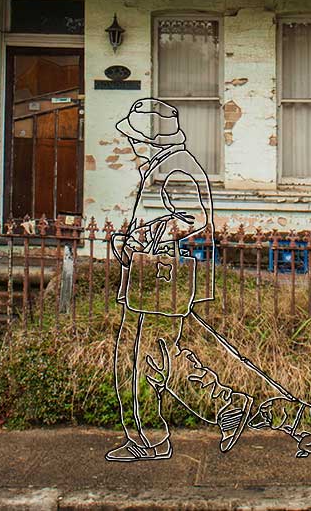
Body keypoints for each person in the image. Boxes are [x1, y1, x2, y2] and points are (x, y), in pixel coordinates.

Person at [106, 98, 298, 462]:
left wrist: (143, 238)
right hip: (159, 282)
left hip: (163, 282)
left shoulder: (176, 170)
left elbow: (192, 221)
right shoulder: (167, 167)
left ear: (151, 141)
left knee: (141, 361)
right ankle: (227, 406)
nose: (130, 145)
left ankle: (154, 438)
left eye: (135, 139)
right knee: (161, 356)